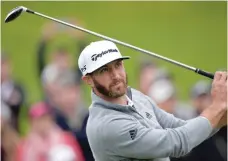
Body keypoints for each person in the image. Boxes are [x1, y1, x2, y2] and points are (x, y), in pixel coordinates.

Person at [78, 40, 227, 161]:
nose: (116, 75)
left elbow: (180, 126)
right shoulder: (107, 126)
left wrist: (223, 114)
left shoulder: (134, 96)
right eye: (104, 70)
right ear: (88, 80)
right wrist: (217, 107)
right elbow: (176, 143)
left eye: (118, 65)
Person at [16, 101, 85, 161]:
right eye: (39, 120)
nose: (43, 124)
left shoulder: (66, 138)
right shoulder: (25, 146)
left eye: (46, 119)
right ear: (32, 123)